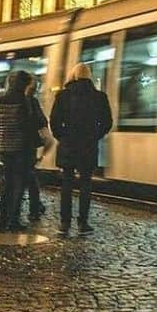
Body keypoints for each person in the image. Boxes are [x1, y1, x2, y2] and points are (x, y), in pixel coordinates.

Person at [49, 63, 112, 235]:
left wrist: (62, 137)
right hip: (88, 146)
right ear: (89, 77)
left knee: (67, 184)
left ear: (74, 76)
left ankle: (65, 222)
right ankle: (83, 223)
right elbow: (107, 122)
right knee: (86, 184)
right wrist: (95, 136)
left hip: (68, 145)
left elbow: (54, 121)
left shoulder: (62, 96)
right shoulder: (99, 97)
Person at [0, 69, 37, 232]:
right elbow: (27, 126)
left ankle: (3, 219)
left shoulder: (1, 100)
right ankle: (14, 219)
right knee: (18, 186)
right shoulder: (23, 101)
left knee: (7, 185)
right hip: (20, 149)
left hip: (4, 148)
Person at [23, 74, 50, 222]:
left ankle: (7, 211)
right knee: (30, 177)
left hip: (8, 147)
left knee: (11, 177)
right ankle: (35, 207)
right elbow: (42, 122)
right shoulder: (32, 102)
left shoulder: (6, 100)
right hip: (28, 146)